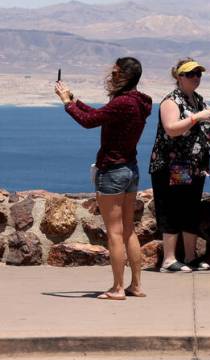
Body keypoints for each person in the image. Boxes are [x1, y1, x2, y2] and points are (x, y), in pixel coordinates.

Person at [54, 58, 153, 300]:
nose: (111, 75)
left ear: (125, 76)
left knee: (115, 233)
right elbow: (100, 115)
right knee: (129, 231)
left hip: (112, 172)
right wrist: (75, 100)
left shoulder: (123, 102)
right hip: (130, 169)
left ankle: (118, 288)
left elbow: (89, 122)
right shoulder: (138, 102)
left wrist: (67, 104)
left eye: (116, 71)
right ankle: (136, 285)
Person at [148, 58, 210, 273]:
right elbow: (171, 128)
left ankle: (190, 257)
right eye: (190, 74)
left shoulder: (198, 100)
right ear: (179, 77)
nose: (195, 78)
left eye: (198, 74)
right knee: (172, 208)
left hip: (194, 166)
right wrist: (197, 118)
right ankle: (169, 260)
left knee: (190, 210)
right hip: (172, 166)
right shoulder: (171, 101)